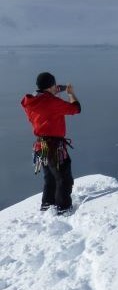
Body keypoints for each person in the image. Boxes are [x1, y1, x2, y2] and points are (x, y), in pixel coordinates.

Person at [21, 72, 81, 214]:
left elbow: (44, 96)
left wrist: (55, 90)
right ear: (50, 87)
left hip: (41, 146)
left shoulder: (31, 102)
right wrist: (71, 94)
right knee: (63, 178)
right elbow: (76, 109)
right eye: (54, 85)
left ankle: (47, 206)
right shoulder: (52, 102)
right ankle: (63, 209)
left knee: (50, 177)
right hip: (55, 147)